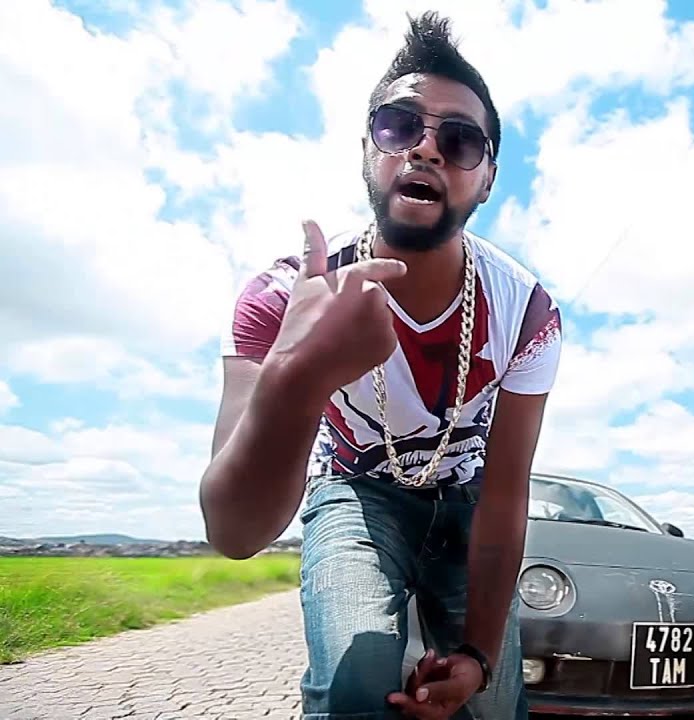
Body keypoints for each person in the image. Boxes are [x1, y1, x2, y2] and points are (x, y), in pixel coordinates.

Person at [198, 10, 561, 719]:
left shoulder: (526, 312)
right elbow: (234, 533)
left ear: (488, 179)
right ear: (367, 150)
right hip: (354, 488)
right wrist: (299, 373)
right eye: (399, 127)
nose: (425, 148)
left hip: (467, 497)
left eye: (459, 140)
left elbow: (505, 493)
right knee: (356, 674)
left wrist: (481, 657)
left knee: (494, 702)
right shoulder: (280, 297)